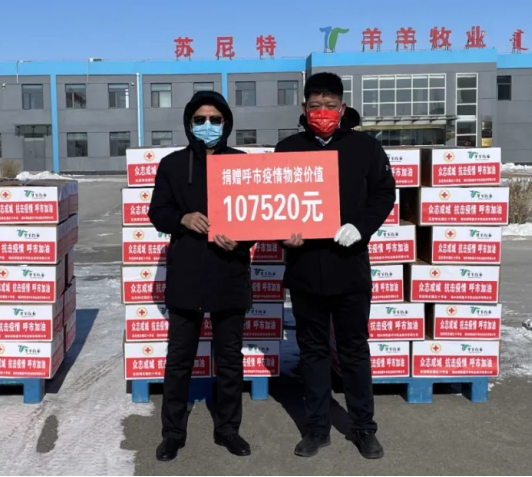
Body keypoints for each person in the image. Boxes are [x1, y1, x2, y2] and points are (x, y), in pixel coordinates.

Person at [274, 72, 395, 460]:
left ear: (342, 108)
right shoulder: (288, 150)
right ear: (304, 108)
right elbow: (273, 203)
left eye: (329, 106)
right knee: (312, 352)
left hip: (350, 267)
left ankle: (364, 428)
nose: (322, 112)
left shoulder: (365, 147)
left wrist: (360, 226)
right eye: (315, 106)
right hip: (305, 268)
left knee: (354, 350)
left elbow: (384, 193)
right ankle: (316, 428)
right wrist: (282, 235)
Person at [148, 91, 254, 462]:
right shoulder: (173, 165)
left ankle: (228, 430)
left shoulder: (242, 164)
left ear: (226, 123)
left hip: (230, 273)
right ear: (189, 123)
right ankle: (172, 433)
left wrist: (241, 239)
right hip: (187, 276)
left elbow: (258, 216)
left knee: (230, 361)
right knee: (179, 360)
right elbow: (157, 212)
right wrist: (183, 218)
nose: (207, 125)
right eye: (200, 119)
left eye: (215, 119)